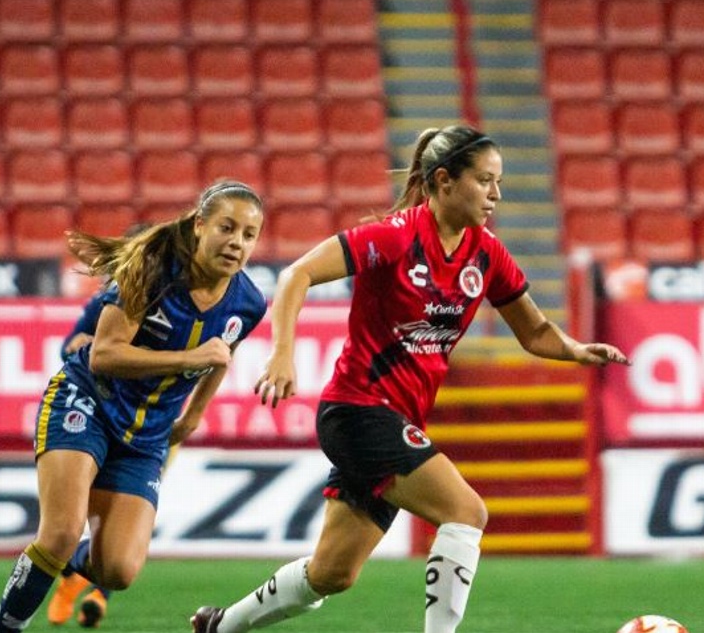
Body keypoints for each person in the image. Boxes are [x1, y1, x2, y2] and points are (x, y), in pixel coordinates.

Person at [190, 126, 630, 633]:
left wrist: (575, 349)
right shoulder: (397, 236)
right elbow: (297, 275)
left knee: (331, 574)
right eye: (485, 181)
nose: (496, 194)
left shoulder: (486, 254)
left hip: (392, 419)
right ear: (445, 181)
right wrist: (282, 354)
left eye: (499, 182)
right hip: (357, 410)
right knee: (466, 511)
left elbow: (533, 331)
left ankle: (219, 627)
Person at [0, 181, 268, 632]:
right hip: (86, 402)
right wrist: (189, 358)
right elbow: (105, 354)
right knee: (60, 530)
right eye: (226, 227)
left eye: (249, 235)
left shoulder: (249, 302)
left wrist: (193, 417)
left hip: (147, 435)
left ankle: (63, 561)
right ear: (200, 225)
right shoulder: (152, 269)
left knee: (118, 570)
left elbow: (221, 352)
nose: (236, 242)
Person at [47, 225, 152, 628]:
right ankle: (78, 578)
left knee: (126, 514)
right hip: (102, 414)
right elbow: (71, 342)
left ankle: (89, 586)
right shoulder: (110, 298)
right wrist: (82, 343)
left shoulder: (175, 303)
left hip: (150, 425)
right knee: (90, 512)